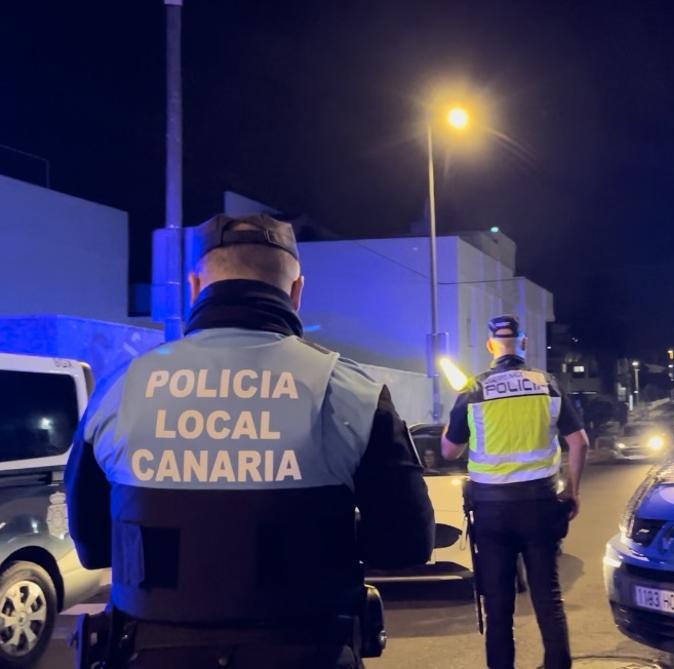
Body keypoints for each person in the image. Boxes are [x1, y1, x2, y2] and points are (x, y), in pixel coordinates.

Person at [65, 213, 435, 668]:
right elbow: (407, 543)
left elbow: (93, 546)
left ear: (195, 286)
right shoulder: (349, 391)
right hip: (308, 651)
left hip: (148, 651)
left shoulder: (120, 388)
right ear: (297, 291)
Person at [441, 315, 588, 669]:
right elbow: (579, 443)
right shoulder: (548, 384)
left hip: (492, 510)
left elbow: (449, 451)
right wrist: (573, 490)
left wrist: (455, 419)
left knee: (498, 604)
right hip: (540, 504)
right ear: (523, 344)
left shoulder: (473, 389)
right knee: (548, 598)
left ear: (492, 346)